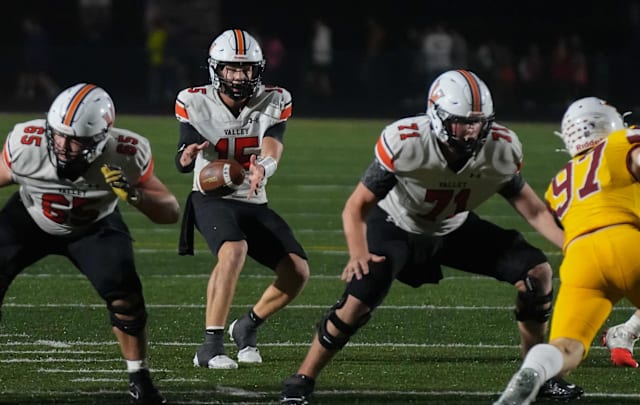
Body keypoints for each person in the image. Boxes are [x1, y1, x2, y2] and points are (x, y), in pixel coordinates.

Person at [279, 69, 583, 404]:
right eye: (461, 122)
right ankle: (303, 377)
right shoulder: (406, 141)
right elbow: (356, 206)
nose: (471, 131)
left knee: (536, 273)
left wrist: (575, 245)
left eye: (478, 123)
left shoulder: (501, 149)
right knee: (359, 299)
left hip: (454, 226)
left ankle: (536, 375)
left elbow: (535, 211)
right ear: (436, 116)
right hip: (397, 223)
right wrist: (358, 252)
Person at [0, 83, 180, 405]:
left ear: (101, 138)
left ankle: (139, 377)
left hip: (94, 226)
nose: (63, 145)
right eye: (58, 134)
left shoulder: (125, 153)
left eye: (75, 140)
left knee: (126, 299)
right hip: (30, 218)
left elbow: (170, 211)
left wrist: (136, 196)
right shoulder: (28, 145)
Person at [174, 28, 310, 369]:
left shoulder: (276, 98)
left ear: (257, 69)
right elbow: (183, 149)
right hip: (210, 197)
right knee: (234, 249)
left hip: (252, 197)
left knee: (297, 271)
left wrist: (263, 167)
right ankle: (210, 346)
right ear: (216, 69)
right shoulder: (193, 100)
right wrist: (186, 156)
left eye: (246, 69)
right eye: (231, 69)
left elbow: (273, 142)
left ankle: (247, 325)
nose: (238, 76)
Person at [495, 97, 640, 404]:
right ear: (610, 123)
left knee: (566, 347)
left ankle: (534, 368)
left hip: (580, 262)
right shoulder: (620, 142)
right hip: (628, 244)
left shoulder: (560, 180)